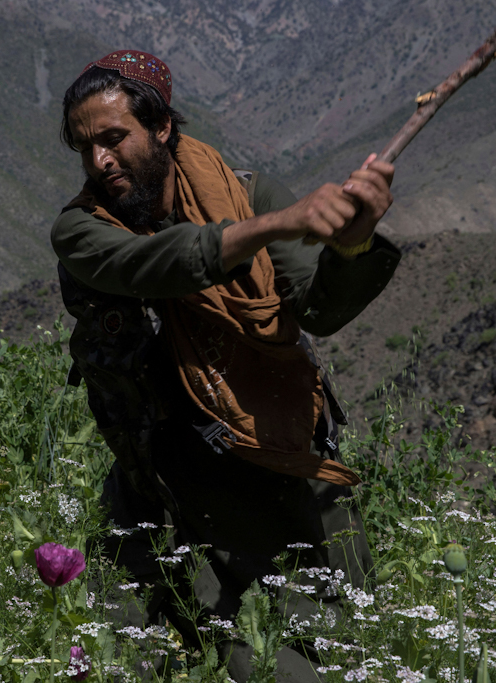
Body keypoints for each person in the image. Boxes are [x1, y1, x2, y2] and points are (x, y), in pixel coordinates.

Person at [51, 51, 400, 681]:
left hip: (282, 475)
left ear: (161, 127)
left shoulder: (248, 194)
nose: (98, 162)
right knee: (127, 661)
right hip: (162, 494)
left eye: (113, 139)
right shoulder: (82, 229)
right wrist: (273, 225)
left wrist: (352, 245)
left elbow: (316, 309)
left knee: (346, 659)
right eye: (84, 147)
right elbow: (157, 263)